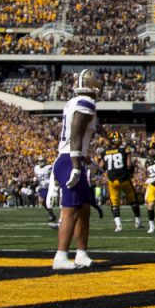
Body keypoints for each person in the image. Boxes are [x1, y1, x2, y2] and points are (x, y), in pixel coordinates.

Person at [53, 70, 101, 270]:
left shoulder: (73, 101)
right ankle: (61, 256)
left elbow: (77, 139)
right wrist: (75, 164)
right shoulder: (86, 102)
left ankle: (81, 254)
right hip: (69, 160)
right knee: (70, 210)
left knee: (84, 209)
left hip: (71, 158)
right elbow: (75, 133)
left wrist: (87, 161)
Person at [101, 131, 141, 232]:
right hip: (124, 179)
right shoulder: (124, 149)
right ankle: (138, 221)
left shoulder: (105, 151)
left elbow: (101, 166)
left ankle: (118, 225)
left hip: (112, 180)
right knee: (133, 199)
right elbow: (128, 164)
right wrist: (131, 171)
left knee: (114, 203)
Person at [34, 157, 59, 228]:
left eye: (42, 161)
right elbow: (38, 176)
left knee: (48, 202)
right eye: (39, 161)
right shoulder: (36, 168)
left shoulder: (49, 167)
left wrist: (50, 182)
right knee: (41, 201)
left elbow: (54, 175)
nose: (40, 162)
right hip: (42, 187)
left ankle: (53, 214)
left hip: (49, 187)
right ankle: (51, 213)